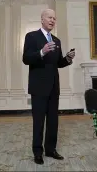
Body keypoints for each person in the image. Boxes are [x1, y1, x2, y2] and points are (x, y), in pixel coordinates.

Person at [22, 9, 75, 165]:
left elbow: (58, 63)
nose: (52, 20)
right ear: (42, 19)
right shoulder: (31, 36)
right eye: (49, 17)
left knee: (53, 121)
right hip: (38, 88)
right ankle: (37, 152)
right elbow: (25, 59)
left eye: (54, 18)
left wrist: (67, 59)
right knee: (38, 121)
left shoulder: (57, 41)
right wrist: (41, 52)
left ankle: (50, 150)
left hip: (53, 87)